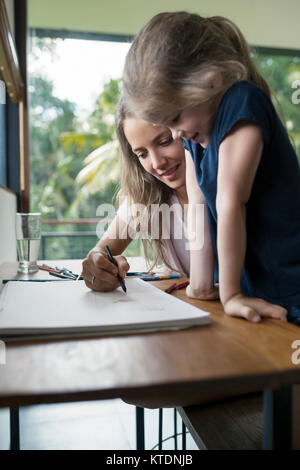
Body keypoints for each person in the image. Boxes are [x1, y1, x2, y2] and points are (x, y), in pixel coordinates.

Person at [122, 12, 300, 326]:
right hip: (256, 293)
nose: (175, 134)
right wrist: (201, 284)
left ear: (211, 82)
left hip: (290, 290)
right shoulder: (194, 134)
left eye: (175, 119)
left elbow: (230, 202)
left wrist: (230, 295)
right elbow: (199, 207)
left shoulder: (243, 104)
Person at [82, 97, 218, 302]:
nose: (157, 163)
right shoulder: (148, 196)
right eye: (142, 154)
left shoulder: (226, 186)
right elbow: (101, 252)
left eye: (165, 142)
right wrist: (96, 266)